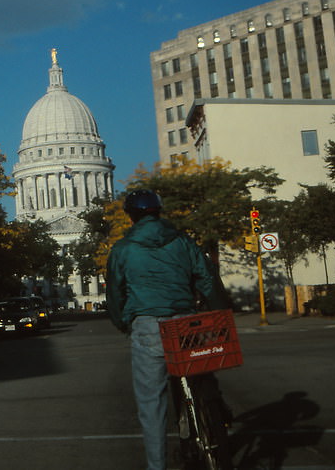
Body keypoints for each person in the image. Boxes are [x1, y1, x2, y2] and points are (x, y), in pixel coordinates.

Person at [106, 189, 223, 470]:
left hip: (148, 326)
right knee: (201, 373)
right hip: (185, 322)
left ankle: (157, 466)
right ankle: (214, 421)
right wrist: (220, 311)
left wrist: (123, 322)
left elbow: (115, 294)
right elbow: (207, 277)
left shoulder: (122, 249)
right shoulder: (182, 241)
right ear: (159, 211)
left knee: (151, 403)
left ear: (131, 216)